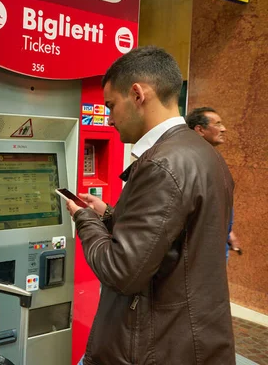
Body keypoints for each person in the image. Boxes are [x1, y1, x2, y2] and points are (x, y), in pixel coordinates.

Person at [66, 46, 235, 364]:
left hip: (157, 345)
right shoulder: (203, 152)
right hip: (193, 337)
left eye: (111, 105)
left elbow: (121, 272)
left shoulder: (161, 163)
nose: (110, 118)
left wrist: (84, 219)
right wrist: (111, 215)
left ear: (137, 94)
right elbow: (176, 239)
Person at [186, 107, 241, 258]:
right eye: (217, 124)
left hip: (217, 242)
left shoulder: (212, 158)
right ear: (200, 130)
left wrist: (229, 233)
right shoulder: (191, 161)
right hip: (202, 249)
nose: (224, 129)